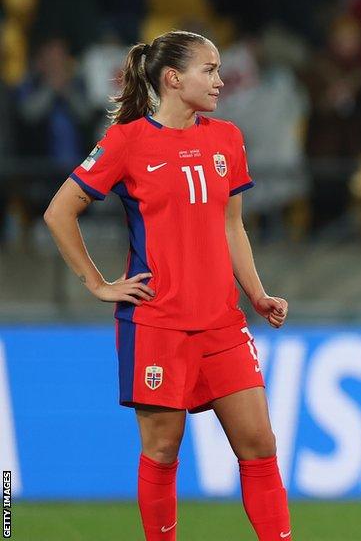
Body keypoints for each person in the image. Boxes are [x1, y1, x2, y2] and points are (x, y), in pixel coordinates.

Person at [43, 30, 292, 541]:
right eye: (210, 69)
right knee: (162, 449)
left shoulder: (226, 138)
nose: (221, 80)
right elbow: (59, 211)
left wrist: (257, 293)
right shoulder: (126, 141)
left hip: (222, 321)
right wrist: (98, 283)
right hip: (158, 323)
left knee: (260, 443)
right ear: (174, 78)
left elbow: (231, 226)